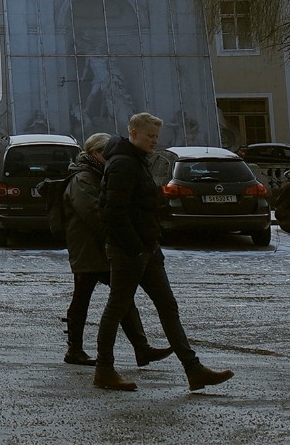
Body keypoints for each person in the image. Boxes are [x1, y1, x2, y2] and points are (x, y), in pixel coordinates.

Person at [94, 112, 233, 392]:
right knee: (117, 307)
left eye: (156, 137)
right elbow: (112, 212)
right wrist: (135, 247)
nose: (154, 142)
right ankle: (104, 369)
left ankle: (193, 369)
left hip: (146, 249)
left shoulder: (134, 160)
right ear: (133, 132)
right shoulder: (123, 163)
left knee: (167, 307)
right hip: (129, 250)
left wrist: (149, 243)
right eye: (149, 136)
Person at [59, 132, 170, 368]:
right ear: (95, 153)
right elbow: (95, 214)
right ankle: (75, 350)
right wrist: (121, 233)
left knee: (123, 298)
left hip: (104, 247)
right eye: (106, 152)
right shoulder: (83, 178)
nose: (111, 156)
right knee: (83, 299)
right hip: (89, 248)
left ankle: (142, 349)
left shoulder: (99, 173)